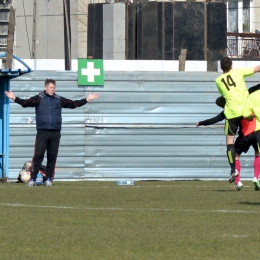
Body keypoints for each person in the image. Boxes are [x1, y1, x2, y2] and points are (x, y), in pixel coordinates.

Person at [5, 78, 100, 187]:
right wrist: (14, 98)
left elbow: (73, 104)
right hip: (42, 132)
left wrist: (87, 99)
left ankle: (48, 179)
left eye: (54, 88)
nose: (52, 90)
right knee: (38, 156)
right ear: (45, 88)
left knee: (52, 156)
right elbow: (25, 103)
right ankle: (33, 179)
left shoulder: (58, 99)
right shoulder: (39, 98)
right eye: (50, 88)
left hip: (55, 133)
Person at [197, 87, 260, 191]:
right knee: (257, 154)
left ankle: (238, 182)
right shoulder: (244, 100)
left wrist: (201, 123)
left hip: (245, 135)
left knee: (235, 156)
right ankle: (256, 178)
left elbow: (214, 120)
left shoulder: (228, 111)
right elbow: (250, 89)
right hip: (257, 131)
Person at [215, 57, 260, 183]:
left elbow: (225, 96)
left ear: (221, 67)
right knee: (256, 143)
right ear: (232, 65)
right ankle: (256, 176)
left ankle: (233, 170)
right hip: (246, 111)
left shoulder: (218, 81)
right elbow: (257, 69)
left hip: (233, 114)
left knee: (230, 143)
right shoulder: (238, 72)